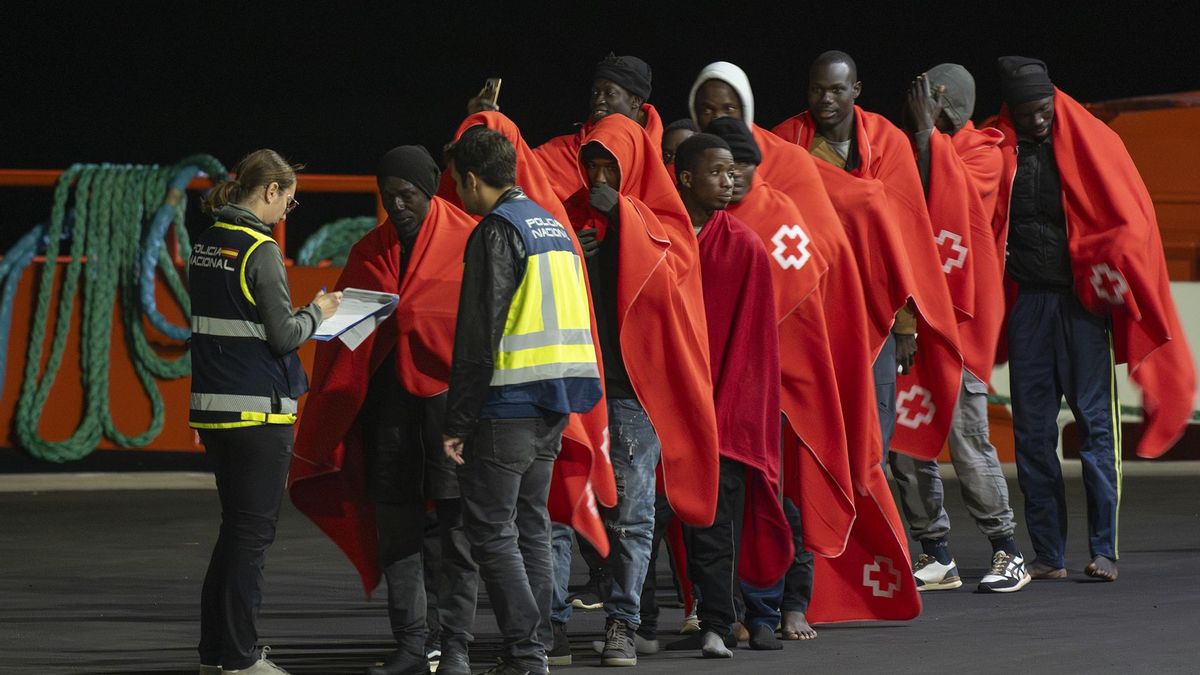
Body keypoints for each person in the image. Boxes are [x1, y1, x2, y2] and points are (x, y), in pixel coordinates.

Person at [992, 57, 1194, 583]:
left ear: (1054, 102)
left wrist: (1105, 260)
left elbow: (1130, 216)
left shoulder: (1091, 142)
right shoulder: (997, 151)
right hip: (1029, 304)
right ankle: (1048, 555)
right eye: (1027, 114)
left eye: (1044, 111)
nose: (1038, 122)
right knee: (1033, 435)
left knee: (1095, 427)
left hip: (1080, 307)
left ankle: (1104, 550)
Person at [290, 146, 481, 675]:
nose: (398, 205)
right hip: (389, 413)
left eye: (408, 195)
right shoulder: (368, 251)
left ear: (429, 191)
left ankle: (457, 645)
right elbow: (341, 344)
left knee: (453, 533)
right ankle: (412, 645)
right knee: (396, 529)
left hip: (448, 411)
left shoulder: (467, 239)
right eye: (389, 196)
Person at [441, 127, 603, 675]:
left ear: (469, 179)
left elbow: (477, 333)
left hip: (505, 405)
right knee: (531, 525)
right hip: (553, 404)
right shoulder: (552, 227)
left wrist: (457, 419)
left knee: (492, 530)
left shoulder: (495, 231)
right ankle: (532, 652)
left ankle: (526, 653)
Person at [563, 113, 720, 667]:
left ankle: (623, 625)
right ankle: (557, 625)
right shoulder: (571, 215)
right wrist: (575, 257)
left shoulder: (661, 219)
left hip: (632, 391)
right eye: (592, 164)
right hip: (578, 386)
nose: (600, 175)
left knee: (633, 514)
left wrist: (624, 221)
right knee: (572, 512)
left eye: (612, 164)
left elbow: (673, 289)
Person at [189, 149, 341, 675]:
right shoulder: (261, 248)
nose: (287, 210)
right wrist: (317, 312)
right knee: (251, 538)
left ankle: (217, 654)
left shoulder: (206, 242)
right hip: (259, 414)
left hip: (214, 410)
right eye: (290, 200)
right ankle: (239, 658)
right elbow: (285, 336)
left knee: (235, 532)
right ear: (270, 191)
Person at [889, 65, 1031, 593]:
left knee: (967, 439)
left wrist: (926, 134)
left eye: (929, 96)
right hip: (915, 321)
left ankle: (1007, 551)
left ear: (948, 103)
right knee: (907, 443)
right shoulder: (911, 146)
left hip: (960, 323)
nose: (918, 101)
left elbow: (952, 204)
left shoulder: (984, 151)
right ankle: (937, 553)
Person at [671, 133, 791, 658]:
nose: (730, 180)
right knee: (653, 523)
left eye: (733, 171)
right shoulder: (663, 238)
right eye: (716, 172)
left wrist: (724, 415)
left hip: (724, 415)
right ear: (685, 178)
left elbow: (756, 347)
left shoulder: (744, 245)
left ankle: (724, 622)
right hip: (669, 410)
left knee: (718, 521)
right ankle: (640, 620)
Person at [534, 53, 664, 201]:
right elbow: (519, 168)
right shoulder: (561, 151)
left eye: (610, 93)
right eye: (595, 92)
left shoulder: (666, 152)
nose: (598, 100)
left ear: (635, 101)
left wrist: (621, 213)